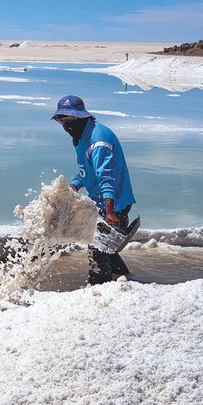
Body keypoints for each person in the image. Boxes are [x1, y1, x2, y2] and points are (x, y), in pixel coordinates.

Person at [51, 94, 139, 285]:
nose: (65, 125)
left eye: (69, 120)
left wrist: (110, 212)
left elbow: (106, 176)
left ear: (81, 117)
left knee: (97, 251)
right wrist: (74, 185)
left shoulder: (98, 140)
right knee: (107, 248)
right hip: (103, 202)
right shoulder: (82, 136)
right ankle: (127, 279)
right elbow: (87, 170)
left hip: (114, 203)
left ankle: (97, 290)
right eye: (61, 120)